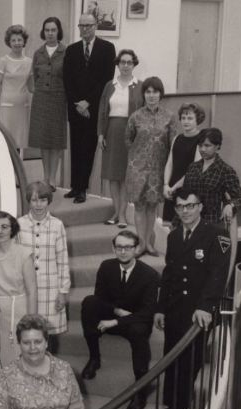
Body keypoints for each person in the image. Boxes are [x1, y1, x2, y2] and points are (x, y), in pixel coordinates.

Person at [153, 189, 232, 409]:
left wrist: (206, 306)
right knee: (171, 356)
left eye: (190, 205)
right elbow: (169, 273)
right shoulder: (174, 236)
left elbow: (218, 274)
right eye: (180, 207)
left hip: (199, 312)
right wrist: (160, 307)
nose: (185, 211)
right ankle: (170, 405)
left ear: (200, 207)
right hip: (176, 309)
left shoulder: (217, 234)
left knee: (189, 361)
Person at [79, 230, 161, 409]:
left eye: (128, 247)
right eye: (119, 247)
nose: (123, 252)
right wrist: (116, 311)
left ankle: (140, 390)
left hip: (135, 321)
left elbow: (147, 313)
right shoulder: (106, 266)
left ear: (137, 249)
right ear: (113, 248)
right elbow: (100, 298)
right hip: (111, 316)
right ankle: (94, 358)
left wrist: (116, 321)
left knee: (140, 331)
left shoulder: (150, 275)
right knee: (89, 302)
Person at [62, 12, 116, 204]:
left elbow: (106, 79)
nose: (84, 29)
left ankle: (83, 188)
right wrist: (78, 102)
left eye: (88, 25)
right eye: (81, 25)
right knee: (75, 147)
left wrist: (88, 102)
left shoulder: (107, 48)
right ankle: (75, 186)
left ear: (96, 27)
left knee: (88, 149)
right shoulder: (72, 49)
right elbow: (67, 79)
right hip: (76, 108)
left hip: (94, 108)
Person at [180, 127, 241, 276]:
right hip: (187, 223)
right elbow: (185, 196)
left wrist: (230, 205)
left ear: (218, 146)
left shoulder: (225, 170)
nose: (203, 149)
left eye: (207, 145)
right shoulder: (192, 167)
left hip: (209, 225)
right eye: (200, 145)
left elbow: (240, 198)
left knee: (203, 267)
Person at [123, 76, 176, 258]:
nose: (151, 95)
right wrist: (137, 159)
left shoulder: (169, 117)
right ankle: (141, 244)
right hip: (137, 169)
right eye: (148, 91)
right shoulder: (135, 116)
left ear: (161, 94)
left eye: (155, 91)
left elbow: (173, 145)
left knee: (152, 207)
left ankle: (149, 245)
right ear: (144, 94)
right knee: (139, 207)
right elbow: (128, 140)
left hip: (158, 170)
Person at [16, 181, 70, 353]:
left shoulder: (57, 225)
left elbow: (63, 259)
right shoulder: (19, 225)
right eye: (34, 200)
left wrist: (62, 292)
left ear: (48, 201)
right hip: (26, 288)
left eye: (43, 200)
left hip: (51, 288)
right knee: (28, 330)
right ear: (28, 201)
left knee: (49, 332)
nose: (38, 205)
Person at [0, 211, 38, 367]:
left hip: (20, 312)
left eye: (5, 227)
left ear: (12, 229)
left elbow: (32, 291)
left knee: (22, 357)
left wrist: (31, 321)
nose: (0, 231)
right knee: (0, 358)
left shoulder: (24, 254)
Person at [97, 49, 143, 228]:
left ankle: (122, 215)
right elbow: (102, 111)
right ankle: (116, 211)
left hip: (132, 133)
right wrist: (101, 134)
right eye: (122, 62)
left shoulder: (140, 85)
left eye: (129, 62)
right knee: (112, 176)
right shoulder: (110, 85)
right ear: (118, 64)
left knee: (125, 176)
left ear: (134, 64)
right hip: (111, 132)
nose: (125, 66)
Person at [28, 17, 68, 188]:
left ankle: (53, 178)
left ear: (58, 31)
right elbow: (35, 78)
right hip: (41, 100)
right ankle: (45, 178)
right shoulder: (38, 53)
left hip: (59, 99)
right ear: (43, 32)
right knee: (44, 140)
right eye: (47, 30)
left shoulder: (67, 52)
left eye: (53, 30)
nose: (50, 33)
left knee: (56, 139)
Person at [161, 103, 207, 224]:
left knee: (186, 225)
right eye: (183, 118)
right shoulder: (177, 138)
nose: (186, 121)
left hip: (188, 188)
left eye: (190, 118)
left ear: (198, 119)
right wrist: (166, 185)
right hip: (172, 188)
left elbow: (195, 169)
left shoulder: (200, 140)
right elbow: (169, 163)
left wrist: (175, 187)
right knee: (171, 226)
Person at [0, 25, 33, 152]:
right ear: (9, 42)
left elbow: (32, 87)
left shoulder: (29, 62)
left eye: (19, 40)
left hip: (22, 108)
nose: (16, 43)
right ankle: (8, 172)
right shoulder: (3, 61)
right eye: (13, 40)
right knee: (6, 142)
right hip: (6, 109)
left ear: (24, 41)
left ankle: (17, 172)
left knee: (18, 144)